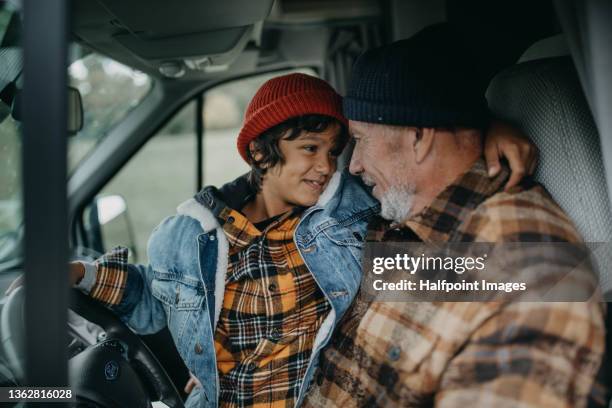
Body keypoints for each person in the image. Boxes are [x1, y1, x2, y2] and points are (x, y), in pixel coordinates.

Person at [7, 72, 535, 407]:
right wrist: (80, 274)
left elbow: (424, 171)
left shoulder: (351, 214)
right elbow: (153, 302)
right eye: (309, 148)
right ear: (260, 154)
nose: (327, 167)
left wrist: (486, 130)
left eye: (335, 150)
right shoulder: (188, 237)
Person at [300, 25, 607, 407]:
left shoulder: (531, 273)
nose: (355, 165)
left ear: (419, 136)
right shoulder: (406, 205)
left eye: (360, 140)